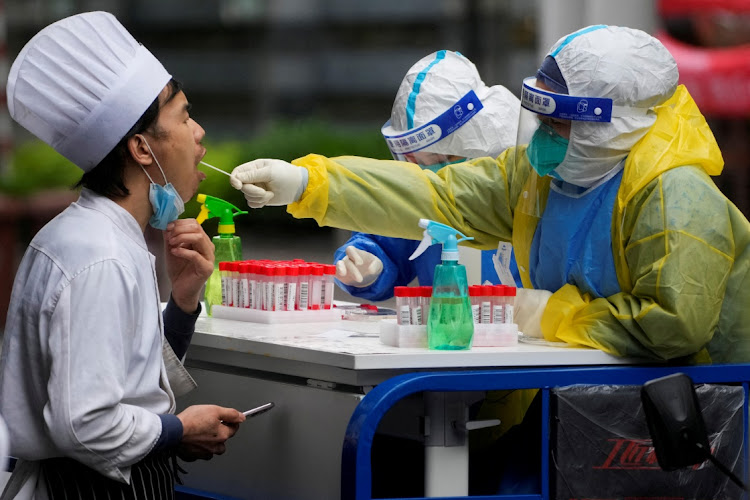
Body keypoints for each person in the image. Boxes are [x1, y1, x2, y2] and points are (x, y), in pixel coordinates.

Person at [0, 11, 246, 498]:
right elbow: (85, 423)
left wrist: (182, 300)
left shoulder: (103, 235)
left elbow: (127, 373)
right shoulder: (99, 256)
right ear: (141, 148)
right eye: (183, 116)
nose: (199, 133)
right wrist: (181, 430)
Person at [334, 50, 525, 301]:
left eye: (445, 158)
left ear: (482, 140)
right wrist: (368, 263)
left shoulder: (527, 186)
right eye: (418, 161)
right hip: (443, 330)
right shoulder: (421, 191)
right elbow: (388, 235)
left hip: (527, 334)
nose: (435, 172)